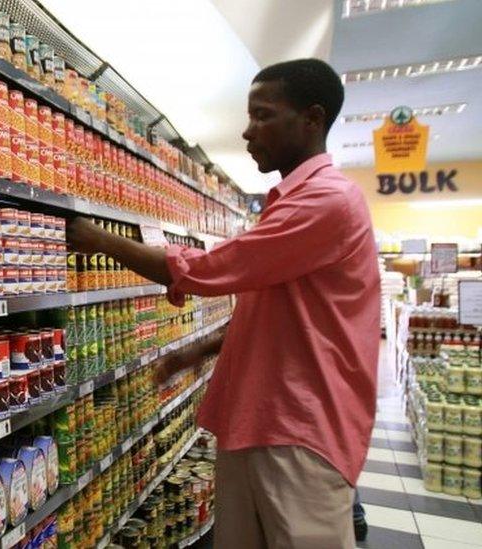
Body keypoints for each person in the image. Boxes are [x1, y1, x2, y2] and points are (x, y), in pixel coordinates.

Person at [67, 59, 380, 548]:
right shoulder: (292, 202)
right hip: (257, 421)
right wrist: (199, 350)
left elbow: (211, 269)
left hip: (299, 430)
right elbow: (278, 318)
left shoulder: (327, 201)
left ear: (312, 119)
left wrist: (100, 239)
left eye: (263, 115)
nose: (247, 130)